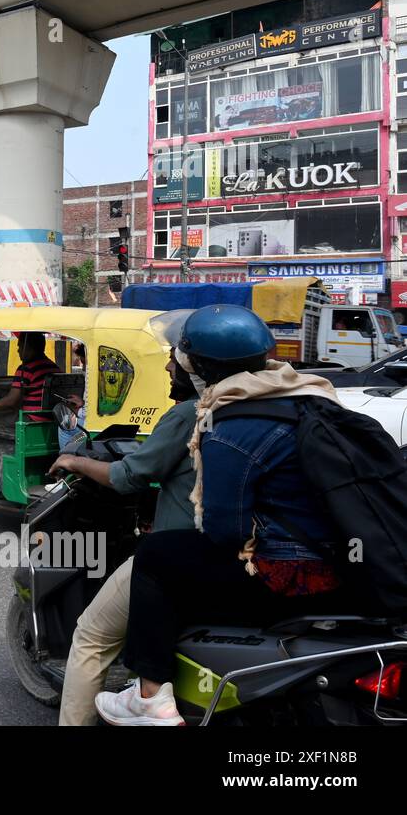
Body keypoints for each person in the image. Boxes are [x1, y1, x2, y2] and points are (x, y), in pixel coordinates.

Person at [95, 305, 346, 726]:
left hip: (291, 574)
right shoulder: (315, 398)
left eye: (180, 360)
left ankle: (150, 695)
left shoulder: (230, 426)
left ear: (199, 371)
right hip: (349, 565)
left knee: (158, 553)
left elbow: (225, 532)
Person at [48, 342, 199, 726]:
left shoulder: (188, 413)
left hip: (179, 554)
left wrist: (76, 461)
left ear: (194, 369)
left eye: (174, 362)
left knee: (90, 636)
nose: (167, 368)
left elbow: (128, 476)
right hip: (241, 556)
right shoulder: (251, 406)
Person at [0, 332, 60, 421]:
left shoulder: (26, 369)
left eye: (20, 346)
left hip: (31, 419)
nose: (18, 350)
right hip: (52, 418)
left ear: (29, 347)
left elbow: (11, 401)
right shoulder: (54, 367)